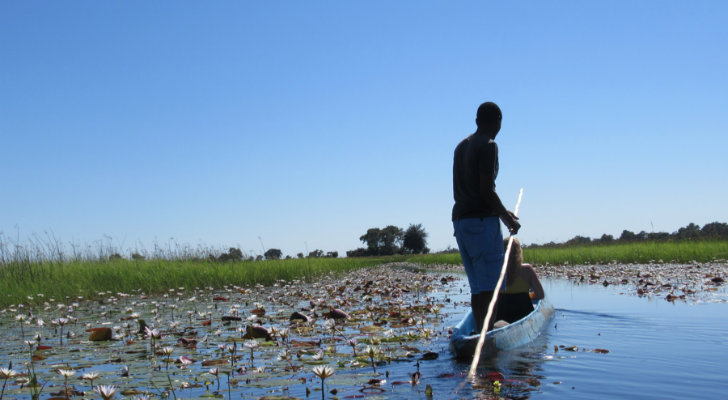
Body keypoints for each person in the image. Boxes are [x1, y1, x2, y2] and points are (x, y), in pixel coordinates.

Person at [452, 101, 521, 332]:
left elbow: (475, 192)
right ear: (498, 121)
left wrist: (501, 210)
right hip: (481, 223)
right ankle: (488, 336)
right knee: (491, 288)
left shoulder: (461, 146)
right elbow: (485, 191)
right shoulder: (489, 145)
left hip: (461, 222)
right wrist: (507, 219)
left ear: (476, 121)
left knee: (478, 288)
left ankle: (480, 332)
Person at [494, 237, 545, 326]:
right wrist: (530, 296)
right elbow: (540, 294)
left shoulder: (496, 270)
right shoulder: (527, 269)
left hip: (501, 314)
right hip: (523, 313)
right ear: (518, 252)